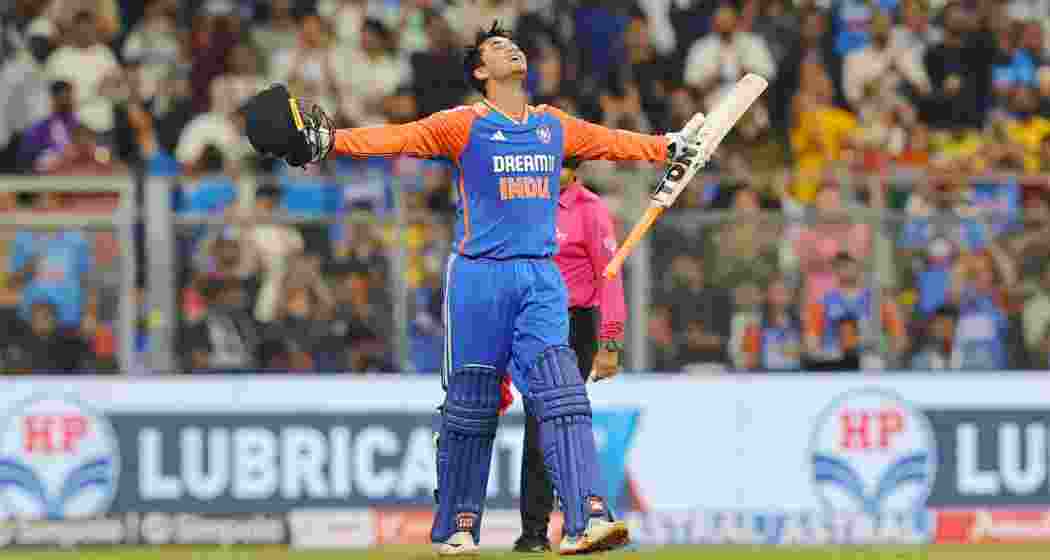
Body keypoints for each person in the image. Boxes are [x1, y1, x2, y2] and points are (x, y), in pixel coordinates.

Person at [261, 21, 702, 556]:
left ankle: (587, 517)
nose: (512, 48)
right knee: (471, 406)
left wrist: (669, 145)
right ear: (479, 70)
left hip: (541, 278)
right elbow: (398, 137)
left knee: (563, 395)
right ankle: (456, 526)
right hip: (478, 277)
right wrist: (332, 141)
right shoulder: (463, 124)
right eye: (497, 47)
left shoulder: (551, 126)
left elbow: (612, 142)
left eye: (512, 43)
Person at [503, 158, 626, 552]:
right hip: (532, 323)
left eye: (560, 167)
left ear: (576, 171)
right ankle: (547, 527)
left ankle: (563, 524)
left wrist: (610, 341)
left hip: (575, 324)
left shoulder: (589, 210)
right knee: (539, 425)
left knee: (556, 423)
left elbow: (610, 275)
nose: (550, 175)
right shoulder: (525, 204)